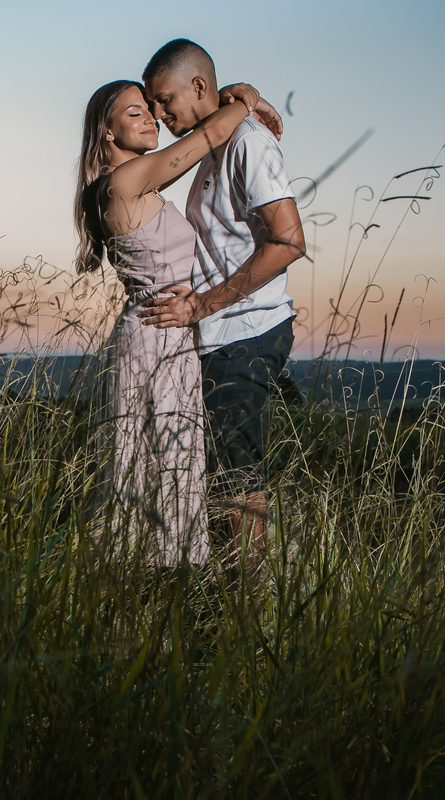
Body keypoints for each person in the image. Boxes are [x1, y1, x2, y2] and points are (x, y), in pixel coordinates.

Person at [74, 79, 282, 570]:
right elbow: (210, 136)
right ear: (106, 131)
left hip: (163, 334)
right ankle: (156, 584)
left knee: (163, 462)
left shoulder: (128, 181)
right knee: (161, 463)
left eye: (151, 109)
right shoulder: (127, 182)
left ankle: (155, 590)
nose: (151, 119)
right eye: (134, 113)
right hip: (157, 338)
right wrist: (249, 97)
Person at [138, 39, 306, 579]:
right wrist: (248, 98)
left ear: (199, 87)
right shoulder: (219, 141)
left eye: (166, 102)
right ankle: (228, 590)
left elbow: (288, 241)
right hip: (219, 333)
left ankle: (246, 615)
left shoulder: (249, 144)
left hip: (246, 330)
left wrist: (200, 306)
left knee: (239, 476)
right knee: (224, 471)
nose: (161, 117)